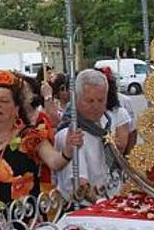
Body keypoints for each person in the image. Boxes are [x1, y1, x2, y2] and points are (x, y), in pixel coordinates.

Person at [0, 70, 64, 207]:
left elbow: (56, 162)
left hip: (23, 220)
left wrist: (68, 148)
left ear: (16, 109)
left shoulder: (30, 137)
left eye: (4, 101)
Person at [53, 70, 130, 204]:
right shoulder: (70, 135)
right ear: (76, 99)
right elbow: (80, 184)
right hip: (84, 209)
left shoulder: (106, 123)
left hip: (109, 198)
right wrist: (105, 205)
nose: (96, 106)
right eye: (89, 101)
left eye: (101, 100)